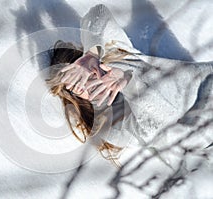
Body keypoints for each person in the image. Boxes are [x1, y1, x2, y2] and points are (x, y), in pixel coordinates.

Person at [46, 4, 213, 167]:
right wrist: (131, 83)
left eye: (81, 75)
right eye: (73, 87)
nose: (82, 85)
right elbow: (160, 122)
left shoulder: (118, 58)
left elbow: (98, 13)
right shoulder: (108, 126)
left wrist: (92, 53)